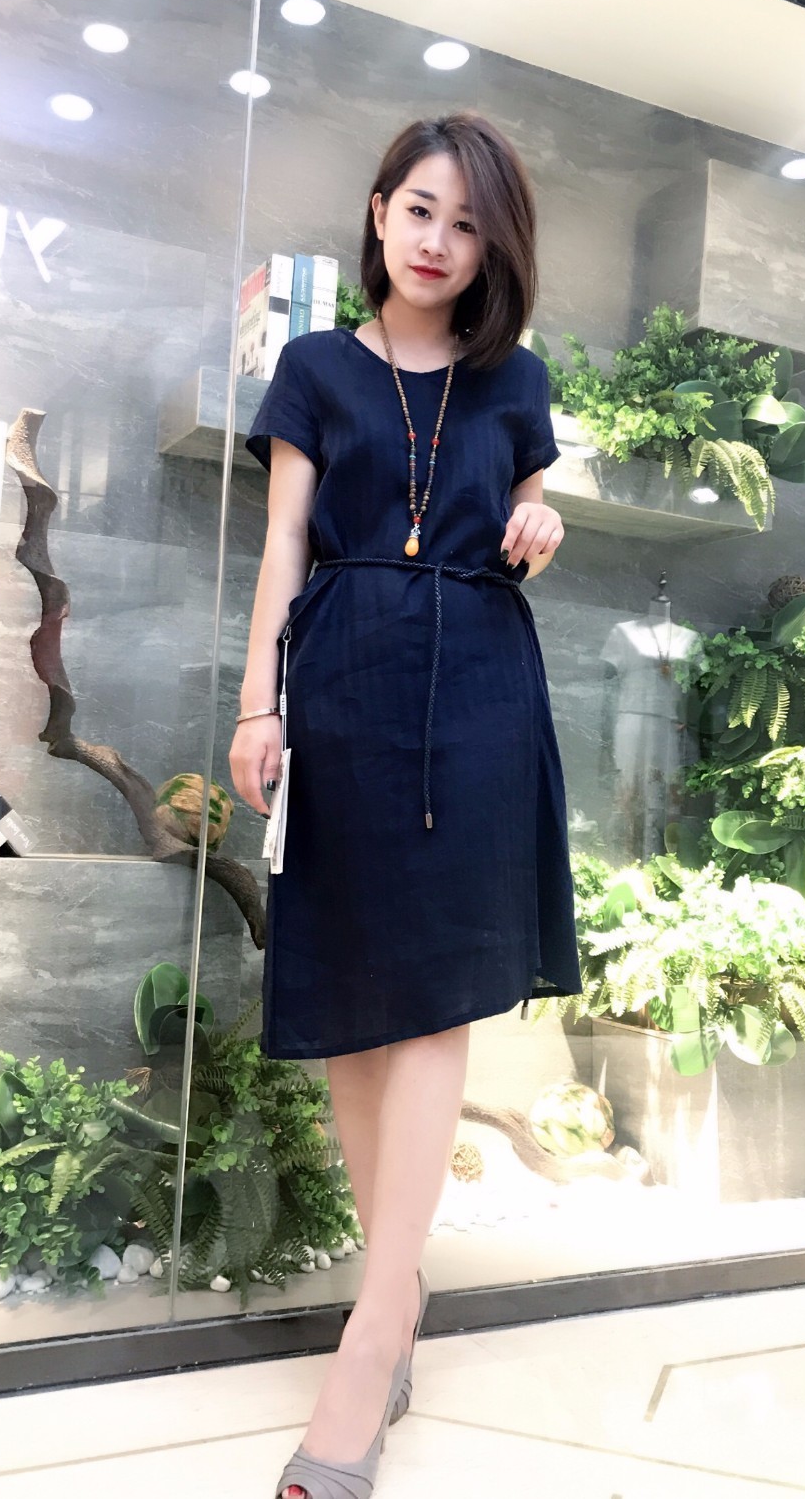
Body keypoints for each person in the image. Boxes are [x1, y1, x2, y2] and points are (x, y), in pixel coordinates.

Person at [230, 111, 582, 1499]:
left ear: (495, 248)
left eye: (469, 223)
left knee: (434, 1000)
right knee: (351, 998)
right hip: (345, 686)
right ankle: (399, 1291)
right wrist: (258, 703)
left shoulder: (516, 379)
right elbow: (283, 542)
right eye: (422, 210)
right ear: (380, 213)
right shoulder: (316, 367)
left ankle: (375, 1331)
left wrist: (543, 525)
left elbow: (529, 521)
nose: (440, 241)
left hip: (480, 691)